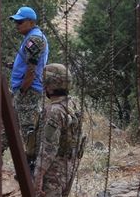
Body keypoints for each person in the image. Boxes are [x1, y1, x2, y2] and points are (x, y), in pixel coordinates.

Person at [0, 5, 49, 167]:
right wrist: (14, 66)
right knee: (12, 123)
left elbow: (32, 68)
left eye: (20, 22)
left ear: (31, 22)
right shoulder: (32, 37)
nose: (17, 25)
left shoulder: (35, 39)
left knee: (26, 128)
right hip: (25, 89)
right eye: (16, 22)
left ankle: (34, 163)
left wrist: (24, 89)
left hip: (28, 90)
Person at [31, 64, 83, 197]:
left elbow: (49, 148)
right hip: (69, 165)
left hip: (53, 170)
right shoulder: (73, 104)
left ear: (49, 85)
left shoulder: (54, 111)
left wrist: (38, 175)